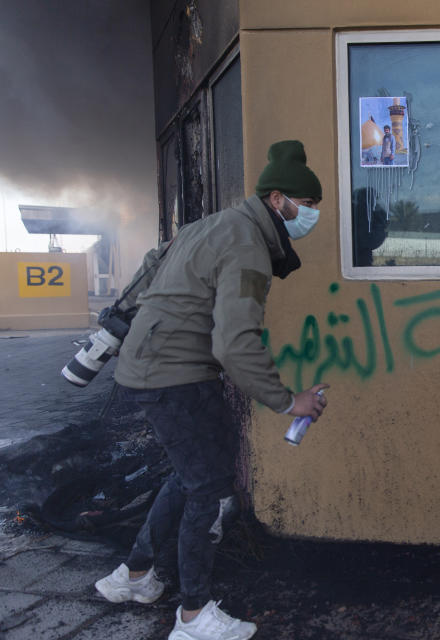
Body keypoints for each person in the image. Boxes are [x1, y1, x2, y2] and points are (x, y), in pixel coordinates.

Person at [93, 140, 328, 640]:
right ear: (278, 199)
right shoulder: (246, 246)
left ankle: (134, 576)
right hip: (174, 375)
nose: (312, 216)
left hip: (151, 364)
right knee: (207, 487)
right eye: (307, 206)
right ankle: (194, 616)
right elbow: (235, 342)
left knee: (189, 475)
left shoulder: (212, 225)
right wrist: (290, 401)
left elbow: (152, 264)